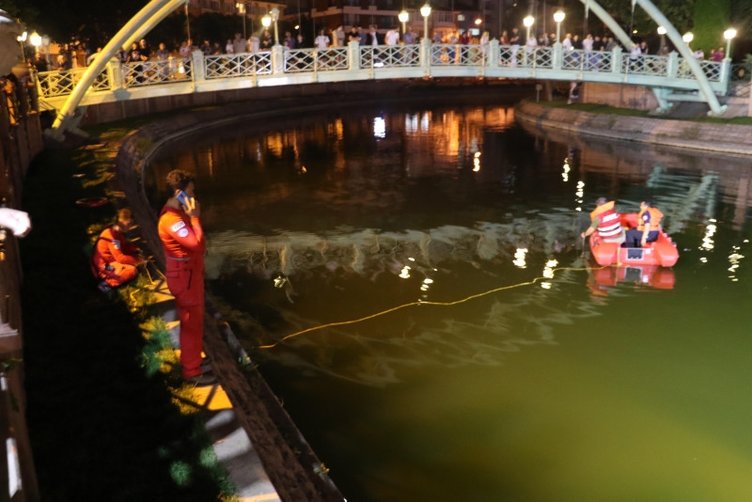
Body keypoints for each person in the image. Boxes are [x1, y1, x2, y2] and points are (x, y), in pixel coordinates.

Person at [158, 170, 214, 385]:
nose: (193, 196)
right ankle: (191, 372)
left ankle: (194, 361)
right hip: (185, 279)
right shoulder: (171, 220)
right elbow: (197, 245)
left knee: (195, 321)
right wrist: (195, 217)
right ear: (179, 193)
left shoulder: (176, 214)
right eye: (191, 192)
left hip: (190, 275)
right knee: (190, 323)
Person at [91, 208, 143, 290]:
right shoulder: (112, 236)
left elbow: (123, 247)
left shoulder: (116, 233)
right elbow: (120, 258)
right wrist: (137, 260)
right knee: (131, 271)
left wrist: (134, 249)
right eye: (129, 223)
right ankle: (103, 287)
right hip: (104, 266)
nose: (130, 226)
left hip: (110, 261)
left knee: (129, 266)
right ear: (123, 222)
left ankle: (109, 282)